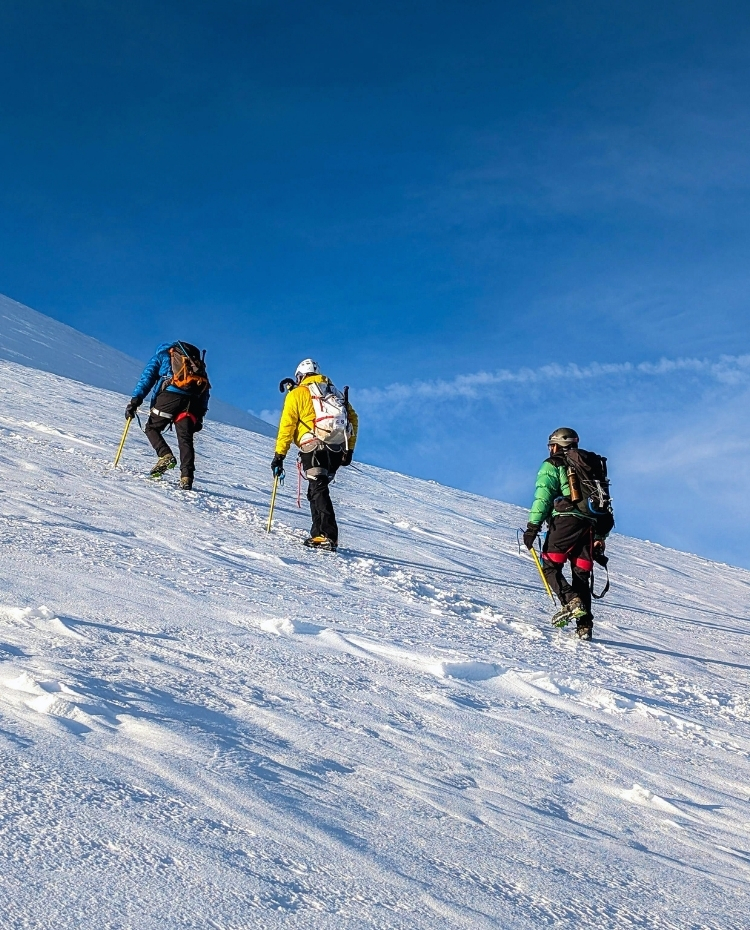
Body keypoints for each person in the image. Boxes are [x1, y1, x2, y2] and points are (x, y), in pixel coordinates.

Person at [523, 427, 611, 640]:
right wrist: (600, 537)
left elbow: (543, 497)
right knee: (581, 573)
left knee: (550, 566)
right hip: (590, 524)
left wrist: (532, 527)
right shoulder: (591, 466)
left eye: (550, 445)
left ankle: (571, 601)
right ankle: (584, 626)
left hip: (565, 522)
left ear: (556, 445)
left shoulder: (553, 464)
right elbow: (603, 503)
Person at [271, 359, 358, 551]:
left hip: (313, 445)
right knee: (315, 489)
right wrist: (349, 449)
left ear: (300, 376)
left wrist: (280, 455)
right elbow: (353, 418)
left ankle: (328, 535)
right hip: (336, 448)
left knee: (317, 488)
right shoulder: (333, 392)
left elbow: (287, 426)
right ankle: (318, 533)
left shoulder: (297, 394)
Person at [126, 341, 210, 491]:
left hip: (170, 396)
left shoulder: (162, 356)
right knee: (185, 438)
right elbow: (205, 390)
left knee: (152, 428)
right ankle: (187, 478)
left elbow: (147, 379)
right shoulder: (196, 365)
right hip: (192, 402)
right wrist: (200, 415)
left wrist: (135, 401)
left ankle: (165, 455)